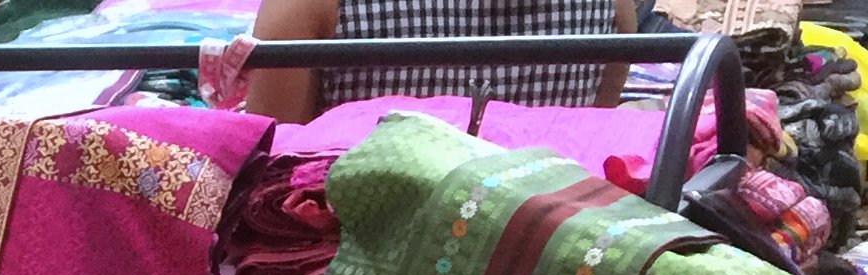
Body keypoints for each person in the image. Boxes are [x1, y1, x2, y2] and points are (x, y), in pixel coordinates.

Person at [245, 0, 638, 122]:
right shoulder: (613, 9)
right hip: (550, 265)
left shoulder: (306, 7)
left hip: (349, 265)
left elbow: (272, 172)